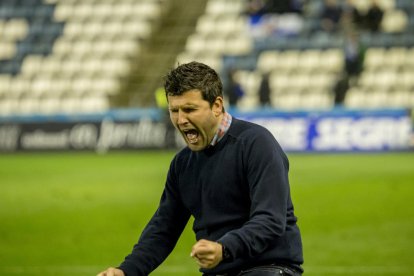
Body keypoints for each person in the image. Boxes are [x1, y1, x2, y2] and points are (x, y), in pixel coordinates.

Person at [97, 62, 304, 276]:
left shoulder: (256, 143)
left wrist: (224, 248)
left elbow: (270, 219)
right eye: (174, 110)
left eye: (189, 109)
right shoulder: (182, 163)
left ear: (217, 106)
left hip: (268, 268)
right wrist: (125, 271)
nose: (181, 120)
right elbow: (163, 230)